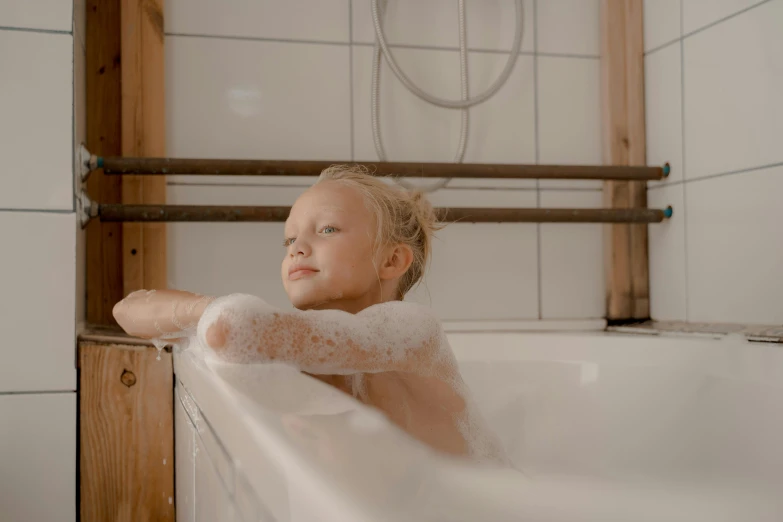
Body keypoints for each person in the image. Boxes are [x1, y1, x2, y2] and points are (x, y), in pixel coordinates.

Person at [113, 164, 507, 465]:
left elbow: (230, 330)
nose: (298, 247)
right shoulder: (322, 349)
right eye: (289, 238)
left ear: (391, 259)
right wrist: (201, 310)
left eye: (328, 229)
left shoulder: (413, 333)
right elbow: (126, 311)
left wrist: (210, 316)